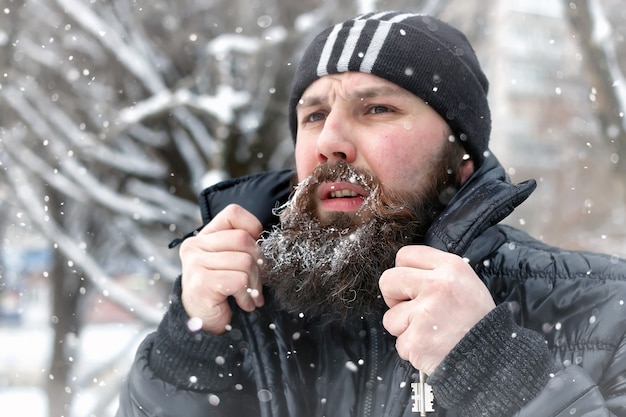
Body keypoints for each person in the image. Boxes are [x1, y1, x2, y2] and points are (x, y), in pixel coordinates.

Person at [116, 11, 626, 417]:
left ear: (460, 158)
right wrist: (191, 346)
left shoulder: (605, 310)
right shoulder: (238, 306)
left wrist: (493, 368)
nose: (330, 142)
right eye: (314, 115)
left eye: (377, 109)